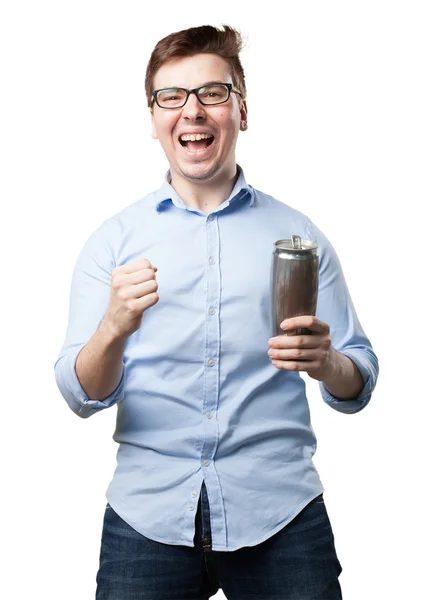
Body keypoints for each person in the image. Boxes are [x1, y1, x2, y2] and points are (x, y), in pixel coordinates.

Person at [54, 24, 379, 600]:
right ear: (154, 118)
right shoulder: (113, 242)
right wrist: (113, 328)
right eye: (171, 97)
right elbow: (81, 395)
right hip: (146, 518)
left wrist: (327, 362)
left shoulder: (299, 236)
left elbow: (358, 380)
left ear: (241, 110)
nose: (192, 111)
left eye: (213, 93)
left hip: (280, 513)